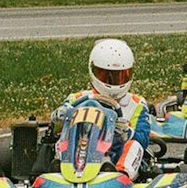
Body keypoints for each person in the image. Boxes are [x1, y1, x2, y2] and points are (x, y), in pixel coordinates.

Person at [47, 38, 151, 178]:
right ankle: (59, 169)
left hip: (115, 154)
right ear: (93, 71)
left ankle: (120, 175)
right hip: (78, 149)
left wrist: (127, 132)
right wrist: (59, 117)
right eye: (106, 75)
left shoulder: (136, 104)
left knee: (134, 145)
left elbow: (144, 139)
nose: (113, 82)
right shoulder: (77, 99)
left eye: (120, 76)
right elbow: (55, 129)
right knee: (62, 140)